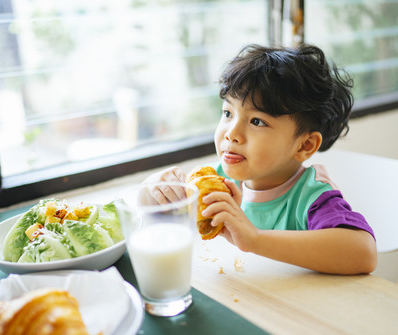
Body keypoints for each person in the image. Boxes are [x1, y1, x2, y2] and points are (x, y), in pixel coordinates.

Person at [144, 44, 377, 275]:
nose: (231, 133)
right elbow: (152, 218)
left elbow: (363, 253)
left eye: (257, 121)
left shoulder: (312, 197)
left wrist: (254, 239)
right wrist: (154, 188)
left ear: (304, 145)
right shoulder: (219, 181)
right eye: (228, 113)